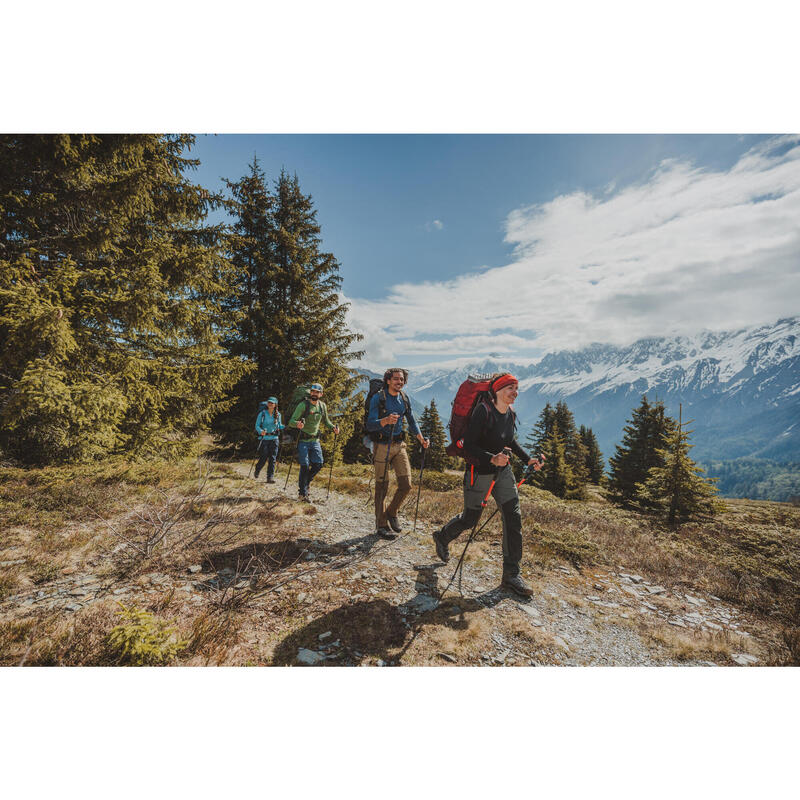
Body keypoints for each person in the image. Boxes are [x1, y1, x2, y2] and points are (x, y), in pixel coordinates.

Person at [432, 373, 543, 597]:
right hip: (479, 471)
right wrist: (492, 458)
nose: (515, 393)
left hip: (503, 472)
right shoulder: (483, 410)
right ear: (498, 390)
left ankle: (512, 574)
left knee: (513, 516)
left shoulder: (509, 413)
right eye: (510, 388)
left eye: (516, 388)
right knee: (470, 519)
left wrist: (527, 459)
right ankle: (442, 536)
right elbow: (469, 446)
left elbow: (509, 440)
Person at [366, 368, 429, 539]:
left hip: (400, 445)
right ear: (388, 380)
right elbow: (370, 424)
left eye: (402, 379)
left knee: (406, 484)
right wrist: (385, 421)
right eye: (396, 379)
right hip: (381, 446)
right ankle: (381, 525)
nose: (399, 382)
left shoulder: (404, 398)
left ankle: (392, 512)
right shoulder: (378, 398)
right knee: (382, 487)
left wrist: (421, 439)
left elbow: (412, 420)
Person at [287, 382, 339, 502]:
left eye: (317, 392)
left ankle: (305, 482)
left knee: (318, 464)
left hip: (315, 440)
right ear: (310, 392)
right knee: (304, 465)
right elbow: (291, 421)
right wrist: (297, 424)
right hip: (303, 440)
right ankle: (303, 494)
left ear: (321, 394)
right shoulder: (303, 405)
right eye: (313, 391)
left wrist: (333, 428)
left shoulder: (322, 406)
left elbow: (326, 421)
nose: (314, 393)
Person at [254, 396, 284, 483]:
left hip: (274, 439)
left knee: (273, 458)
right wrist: (260, 431)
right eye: (269, 402)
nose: (270, 404)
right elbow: (257, 425)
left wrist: (286, 427)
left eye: (272, 403)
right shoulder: (262, 414)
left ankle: (270, 477)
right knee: (263, 457)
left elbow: (279, 426)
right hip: (264, 438)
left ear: (275, 405)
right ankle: (258, 468)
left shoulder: (278, 415)